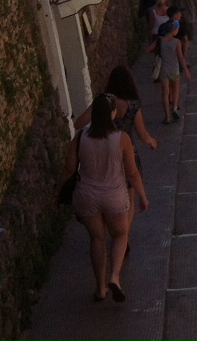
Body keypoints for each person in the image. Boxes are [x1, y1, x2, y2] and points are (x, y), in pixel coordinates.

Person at [58, 93, 148, 303]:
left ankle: (100, 288)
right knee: (120, 234)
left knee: (97, 238)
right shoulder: (121, 139)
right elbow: (132, 173)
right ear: (113, 113)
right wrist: (142, 196)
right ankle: (114, 277)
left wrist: (57, 190)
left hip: (86, 196)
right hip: (114, 196)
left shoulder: (80, 137)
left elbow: (69, 168)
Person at [73, 67, 157, 241]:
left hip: (105, 154)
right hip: (128, 154)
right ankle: (123, 236)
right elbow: (142, 133)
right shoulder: (133, 105)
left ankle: (111, 232)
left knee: (107, 192)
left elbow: (78, 123)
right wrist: (151, 141)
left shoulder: (103, 104)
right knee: (129, 199)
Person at [147, 12, 190, 123]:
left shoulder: (159, 40)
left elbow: (147, 50)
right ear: (173, 31)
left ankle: (167, 116)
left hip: (163, 70)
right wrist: (186, 70)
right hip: (174, 69)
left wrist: (157, 51)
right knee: (176, 90)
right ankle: (174, 108)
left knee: (165, 94)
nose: (177, 31)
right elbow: (180, 57)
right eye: (177, 29)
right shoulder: (177, 42)